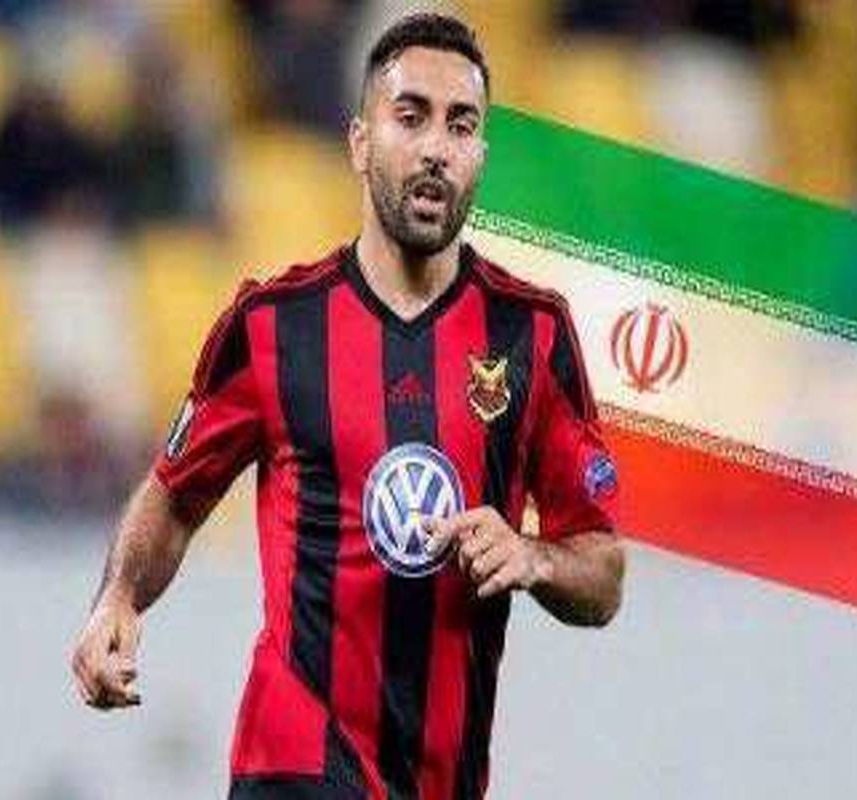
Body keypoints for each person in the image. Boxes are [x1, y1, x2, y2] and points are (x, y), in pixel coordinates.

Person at [70, 13, 625, 800]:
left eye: (460, 125)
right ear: (360, 143)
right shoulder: (273, 325)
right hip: (292, 762)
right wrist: (118, 598)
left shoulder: (531, 332)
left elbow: (602, 569)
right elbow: (175, 492)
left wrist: (534, 557)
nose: (436, 147)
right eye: (411, 117)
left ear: (481, 156)